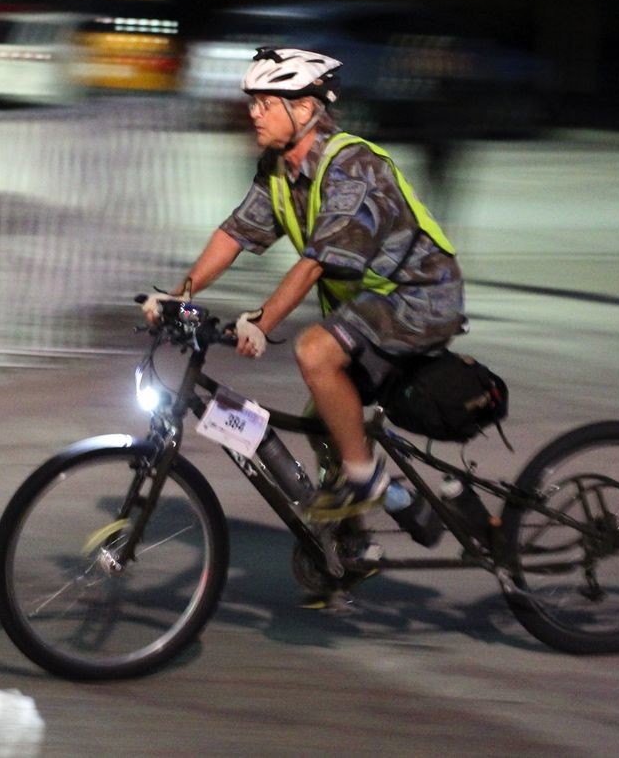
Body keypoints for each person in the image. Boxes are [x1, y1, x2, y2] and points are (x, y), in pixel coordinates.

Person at [143, 47, 465, 519]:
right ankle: (360, 544)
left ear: (305, 109)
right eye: (252, 102)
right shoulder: (278, 170)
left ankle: (367, 479)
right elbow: (234, 234)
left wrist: (262, 321)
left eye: (265, 103)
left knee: (314, 351)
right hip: (368, 307)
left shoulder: (351, 167)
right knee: (323, 422)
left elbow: (317, 261)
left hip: (418, 297)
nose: (253, 113)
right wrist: (179, 295)